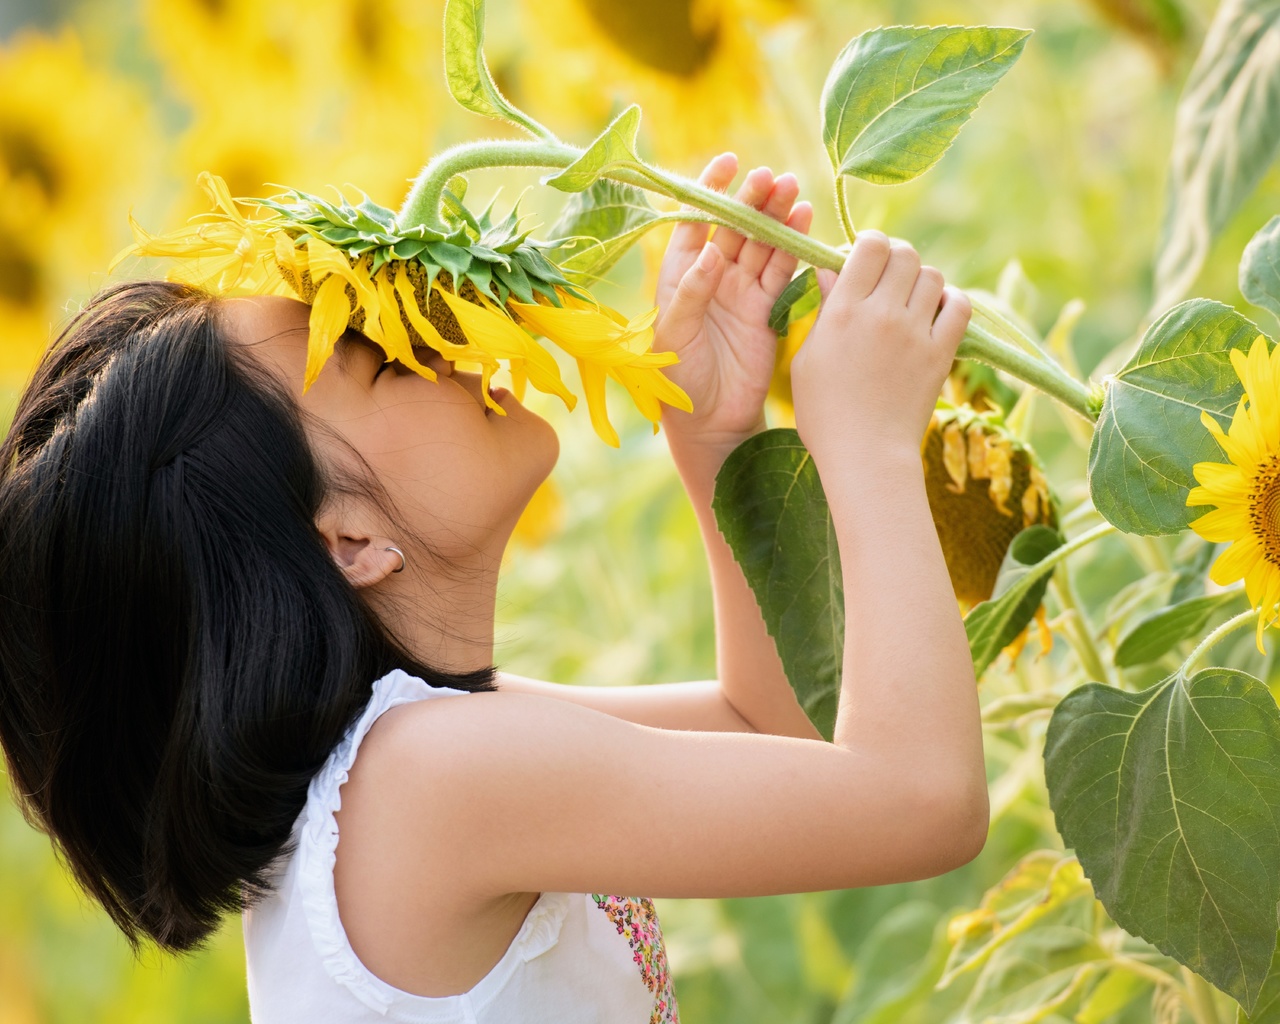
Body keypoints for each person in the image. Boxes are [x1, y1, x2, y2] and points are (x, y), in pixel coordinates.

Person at [0, 154, 984, 1023]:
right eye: (378, 355)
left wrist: (713, 440)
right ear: (348, 539)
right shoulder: (425, 781)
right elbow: (921, 800)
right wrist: (863, 441)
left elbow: (771, 727)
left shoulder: (412, 755)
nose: (441, 336)